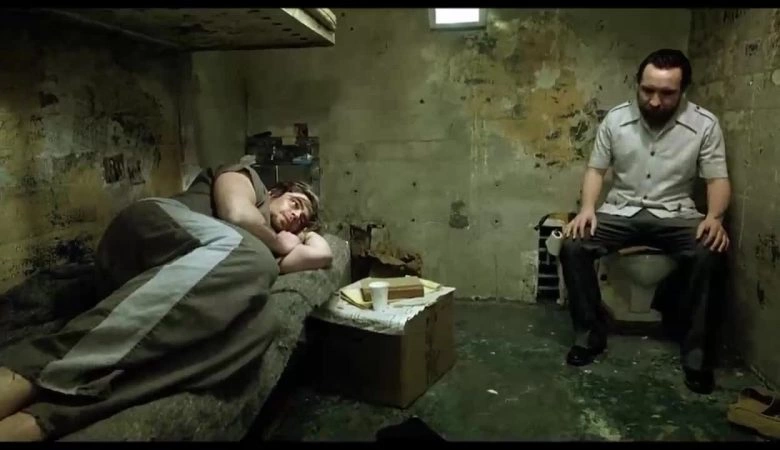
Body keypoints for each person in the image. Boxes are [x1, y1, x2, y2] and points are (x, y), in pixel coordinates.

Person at [0, 159, 333, 440]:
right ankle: (34, 370)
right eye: (295, 203)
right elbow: (237, 215)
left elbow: (321, 254)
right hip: (149, 234)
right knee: (252, 258)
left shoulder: (260, 256)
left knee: (258, 328)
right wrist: (279, 242)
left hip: (185, 277)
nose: (296, 215)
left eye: (303, 219)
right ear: (275, 192)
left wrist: (305, 236)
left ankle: (43, 418)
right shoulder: (248, 180)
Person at [559, 49, 730, 395]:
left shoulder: (705, 124)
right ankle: (589, 336)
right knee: (573, 245)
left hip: (676, 213)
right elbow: (596, 170)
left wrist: (715, 217)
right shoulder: (615, 120)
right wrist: (588, 208)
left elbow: (717, 179)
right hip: (621, 210)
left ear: (683, 90)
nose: (654, 101)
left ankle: (696, 356)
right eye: (647, 90)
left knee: (710, 252)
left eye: (667, 93)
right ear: (637, 84)